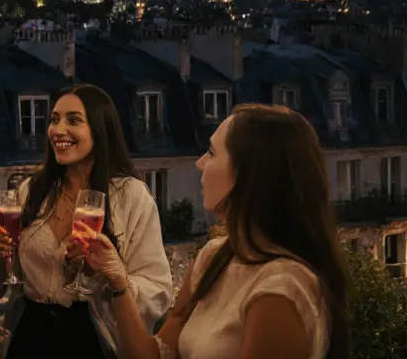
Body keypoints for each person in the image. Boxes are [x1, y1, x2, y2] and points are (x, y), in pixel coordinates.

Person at [83, 103, 351, 359]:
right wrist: (118, 279)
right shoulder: (213, 257)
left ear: (249, 173)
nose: (200, 163)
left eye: (211, 153)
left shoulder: (281, 289)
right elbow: (152, 355)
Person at [0, 83, 173, 358]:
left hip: (92, 337)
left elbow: (157, 291)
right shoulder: (31, 190)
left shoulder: (130, 196)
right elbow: (2, 288)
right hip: (29, 335)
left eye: (73, 120)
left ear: (100, 129)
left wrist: (106, 275)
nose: (58, 130)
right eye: (54, 120)